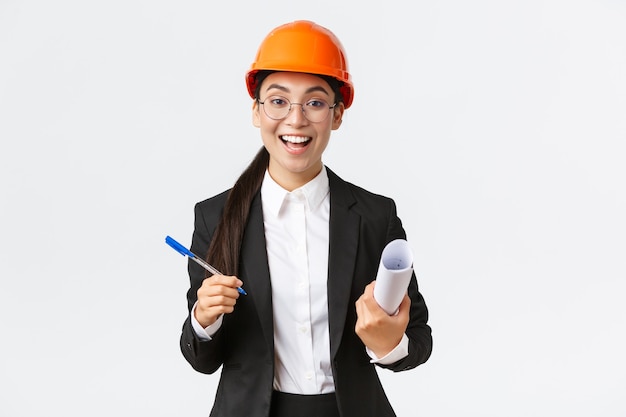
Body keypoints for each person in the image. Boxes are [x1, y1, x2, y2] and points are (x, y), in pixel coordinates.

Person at [179, 20, 432, 417]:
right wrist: (203, 319)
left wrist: (387, 343)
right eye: (278, 101)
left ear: (337, 114)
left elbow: (418, 341)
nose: (295, 120)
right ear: (256, 111)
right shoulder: (215, 216)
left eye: (314, 102)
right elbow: (201, 359)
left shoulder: (374, 216)